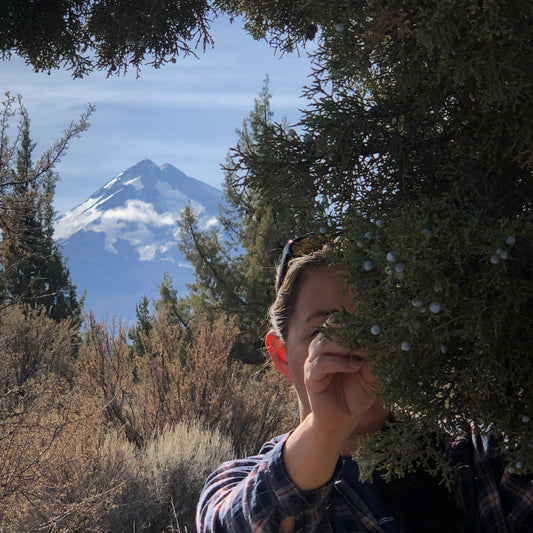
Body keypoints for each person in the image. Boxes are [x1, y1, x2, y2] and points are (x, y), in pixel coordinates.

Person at [196, 236, 533, 533]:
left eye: (375, 330)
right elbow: (234, 523)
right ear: (282, 356)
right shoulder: (235, 481)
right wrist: (326, 428)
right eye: (324, 333)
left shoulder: (474, 458)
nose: (353, 351)